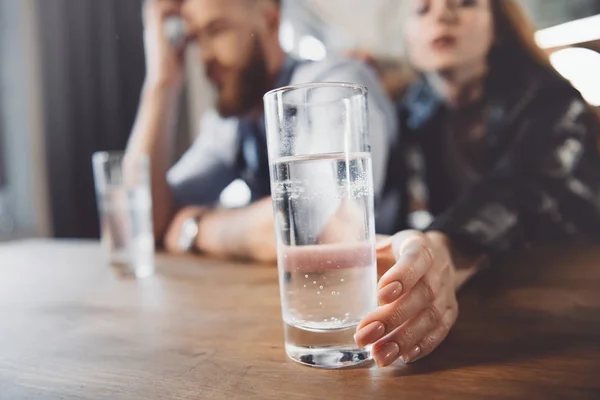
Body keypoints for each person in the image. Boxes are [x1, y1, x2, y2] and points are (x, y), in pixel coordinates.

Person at [356, 0, 600, 368]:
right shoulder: (415, 112)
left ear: (497, 25)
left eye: (465, 3)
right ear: (408, 37)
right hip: (487, 296)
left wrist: (448, 246)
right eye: (423, 10)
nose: (441, 15)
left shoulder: (551, 98)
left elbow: (521, 191)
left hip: (570, 295)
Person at [126, 0, 397, 262]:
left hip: (377, 294)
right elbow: (140, 220)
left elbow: (328, 224)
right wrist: (161, 85)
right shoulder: (233, 122)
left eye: (217, 30)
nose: (205, 55)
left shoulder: (335, 85)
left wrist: (195, 228)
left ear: (270, 20)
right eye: (195, 39)